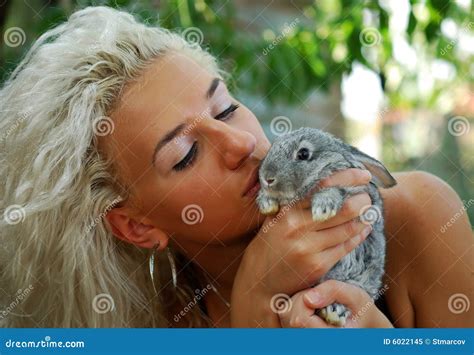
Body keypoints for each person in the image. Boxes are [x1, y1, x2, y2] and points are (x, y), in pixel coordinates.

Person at [0, 6, 472, 328]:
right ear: (135, 226)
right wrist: (253, 312)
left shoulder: (411, 217)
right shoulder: (155, 323)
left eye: (226, 108)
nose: (242, 143)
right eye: (185, 154)